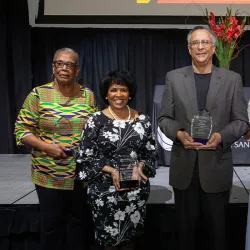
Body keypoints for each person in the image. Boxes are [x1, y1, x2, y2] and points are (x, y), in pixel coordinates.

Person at [158, 26, 249, 250]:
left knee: (217, 235)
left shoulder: (231, 79)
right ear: (189, 49)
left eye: (205, 42)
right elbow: (164, 119)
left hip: (217, 167)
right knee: (185, 236)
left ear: (214, 47)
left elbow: (242, 122)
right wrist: (179, 133)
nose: (200, 47)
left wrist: (221, 135)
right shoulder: (174, 78)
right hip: (184, 168)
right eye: (195, 43)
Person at [15, 48, 98, 250]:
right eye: (59, 63)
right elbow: (21, 131)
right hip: (48, 176)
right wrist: (47, 147)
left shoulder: (87, 96)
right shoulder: (38, 95)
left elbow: (94, 131)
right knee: (52, 229)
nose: (64, 68)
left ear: (77, 70)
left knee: (78, 228)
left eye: (69, 65)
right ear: (53, 67)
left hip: (80, 177)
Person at [75, 70, 157, 250]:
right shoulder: (95, 121)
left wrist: (142, 165)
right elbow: (84, 155)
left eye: (123, 90)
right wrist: (112, 170)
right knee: (109, 242)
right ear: (106, 94)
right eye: (113, 90)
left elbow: (151, 153)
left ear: (130, 94)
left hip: (135, 191)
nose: (118, 94)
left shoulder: (143, 120)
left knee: (131, 240)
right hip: (105, 192)